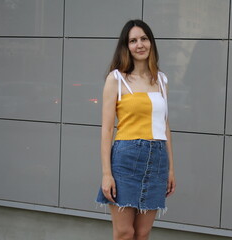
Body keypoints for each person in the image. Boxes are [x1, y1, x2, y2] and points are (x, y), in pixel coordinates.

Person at [96, 19, 176, 240]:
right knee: (124, 232)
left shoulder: (161, 80)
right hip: (126, 159)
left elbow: (165, 126)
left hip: (158, 160)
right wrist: (106, 174)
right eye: (133, 40)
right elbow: (106, 130)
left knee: (142, 233)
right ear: (126, 46)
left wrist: (170, 169)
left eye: (144, 39)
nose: (139, 44)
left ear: (151, 43)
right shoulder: (116, 79)